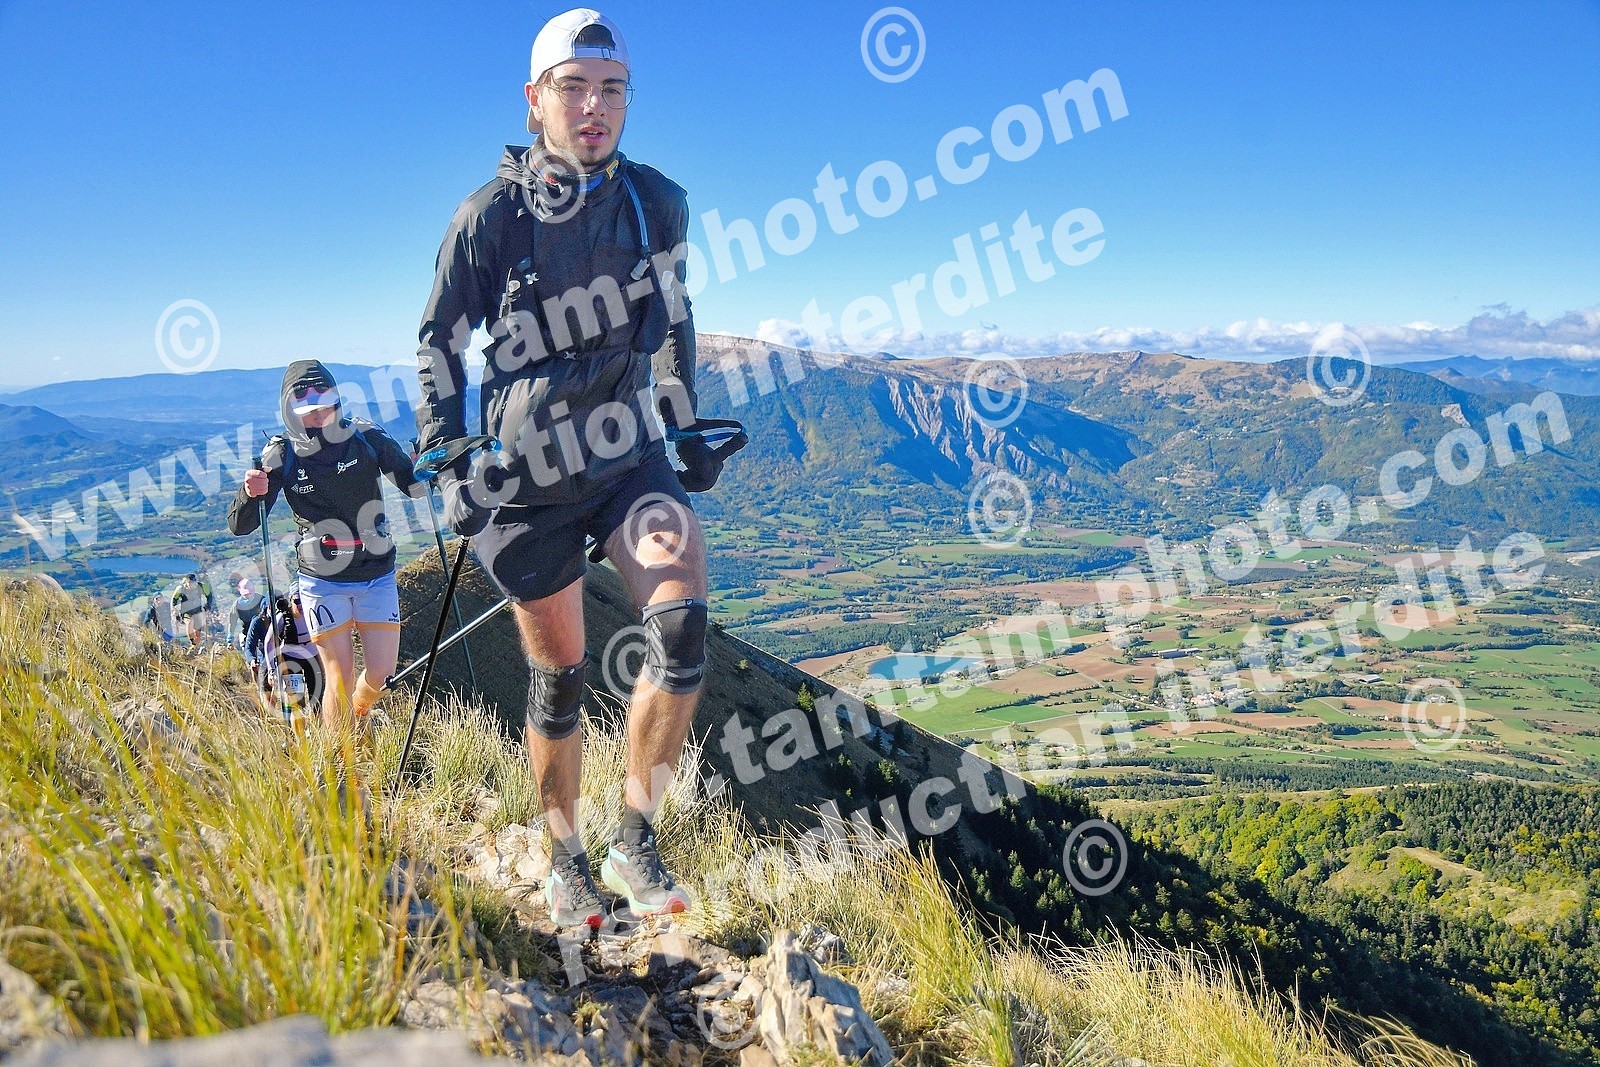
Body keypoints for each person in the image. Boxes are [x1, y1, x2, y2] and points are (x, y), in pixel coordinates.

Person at [414, 8, 729, 927]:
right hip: (526, 479)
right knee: (559, 676)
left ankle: (635, 839)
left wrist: (683, 421)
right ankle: (565, 859)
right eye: (574, 87)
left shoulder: (657, 204)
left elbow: (672, 320)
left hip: (625, 457)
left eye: (612, 90)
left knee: (682, 627)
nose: (595, 107)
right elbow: (439, 340)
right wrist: (447, 455)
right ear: (535, 99)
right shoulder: (488, 217)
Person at [227, 360, 426, 728]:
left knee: (382, 673)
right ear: (290, 411)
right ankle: (339, 754)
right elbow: (242, 524)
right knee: (338, 676)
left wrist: (424, 462)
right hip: (322, 578)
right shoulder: (281, 454)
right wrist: (249, 492)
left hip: (376, 571)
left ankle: (360, 713)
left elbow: (414, 487)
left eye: (325, 404)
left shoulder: (366, 437)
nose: (319, 415)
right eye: (307, 409)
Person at [171, 573, 207, 648]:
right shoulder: (181, 589)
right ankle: (192, 641)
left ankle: (195, 646)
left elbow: (209, 595)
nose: (191, 585)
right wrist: (175, 611)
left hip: (197, 611)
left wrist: (208, 605)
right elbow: (174, 600)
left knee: (197, 632)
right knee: (189, 622)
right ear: (186, 582)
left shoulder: (200, 587)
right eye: (189, 583)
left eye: (193, 583)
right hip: (186, 611)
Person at [231, 577, 265, 651]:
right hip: (247, 634)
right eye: (245, 594)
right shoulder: (237, 605)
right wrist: (230, 640)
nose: (248, 595)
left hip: (262, 634)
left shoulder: (262, 600)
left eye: (249, 593)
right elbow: (232, 623)